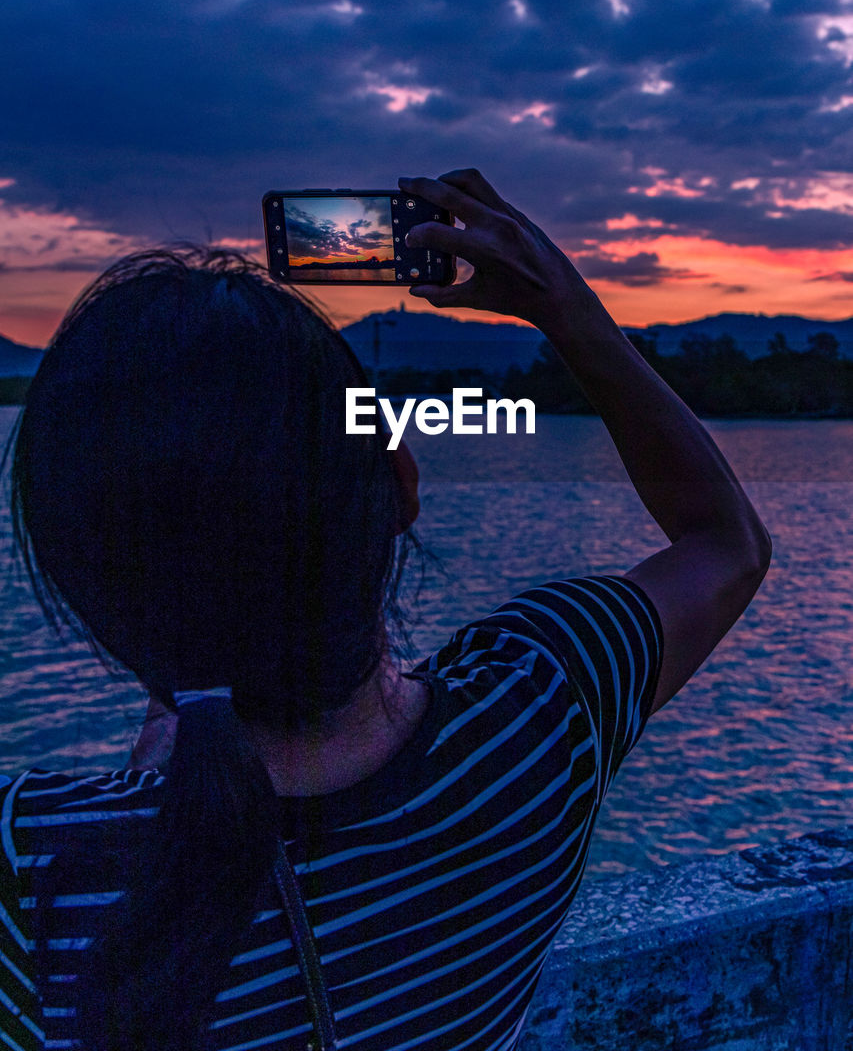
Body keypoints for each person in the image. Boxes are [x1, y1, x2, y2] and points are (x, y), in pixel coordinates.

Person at [0, 168, 771, 1051]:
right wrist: (562, 304)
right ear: (400, 483)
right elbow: (726, 543)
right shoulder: (538, 719)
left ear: (76, 575)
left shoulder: (37, 873)